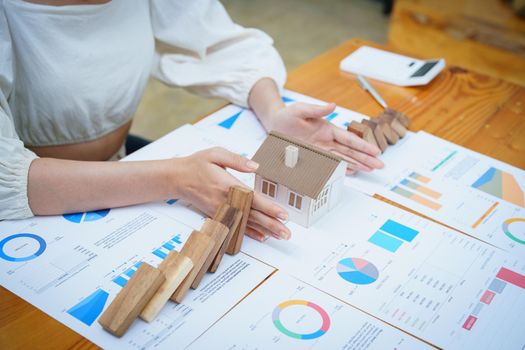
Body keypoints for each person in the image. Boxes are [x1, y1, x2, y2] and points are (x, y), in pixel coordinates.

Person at [0, 0, 383, 241]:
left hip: (121, 164)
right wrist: (174, 178)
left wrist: (274, 111)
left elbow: (216, 43)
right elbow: (8, 183)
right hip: (31, 210)